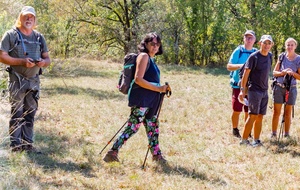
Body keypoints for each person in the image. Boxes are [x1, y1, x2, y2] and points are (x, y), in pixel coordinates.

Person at [103, 32, 171, 163]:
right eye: (152, 44)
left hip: (151, 100)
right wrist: (159, 88)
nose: (155, 47)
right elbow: (138, 79)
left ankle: (157, 155)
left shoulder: (151, 59)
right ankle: (112, 152)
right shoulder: (144, 56)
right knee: (133, 126)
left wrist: (162, 88)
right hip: (142, 99)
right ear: (145, 44)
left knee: (153, 126)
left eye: (158, 44)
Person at [0, 6, 50, 152]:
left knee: (30, 112)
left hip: (34, 81)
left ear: (34, 20)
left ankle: (27, 145)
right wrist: (22, 61)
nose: (29, 19)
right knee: (17, 112)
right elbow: (2, 56)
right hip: (16, 80)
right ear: (20, 18)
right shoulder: (11, 35)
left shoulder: (39, 37)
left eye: (31, 17)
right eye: (26, 16)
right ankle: (16, 146)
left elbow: (48, 59)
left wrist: (42, 62)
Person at [238, 35, 274, 147]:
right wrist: (242, 90)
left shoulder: (270, 56)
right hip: (254, 90)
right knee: (252, 115)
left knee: (260, 116)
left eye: (269, 43)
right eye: (265, 43)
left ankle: (256, 140)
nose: (267, 45)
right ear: (260, 43)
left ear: (271, 45)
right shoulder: (254, 57)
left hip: (264, 91)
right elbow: (245, 74)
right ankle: (244, 141)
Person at [227, 30, 257, 138]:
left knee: (248, 110)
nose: (249, 40)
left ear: (254, 40)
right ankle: (235, 129)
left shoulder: (256, 52)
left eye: (251, 38)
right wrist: (242, 66)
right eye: (247, 37)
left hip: (251, 86)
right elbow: (229, 66)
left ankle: (247, 131)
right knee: (237, 109)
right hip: (238, 85)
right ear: (244, 39)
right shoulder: (238, 51)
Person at [271, 38, 300, 139]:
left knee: (287, 113)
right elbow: (274, 73)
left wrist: (292, 73)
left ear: (295, 46)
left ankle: (286, 134)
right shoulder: (282, 56)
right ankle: (273, 133)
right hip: (279, 87)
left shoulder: (298, 59)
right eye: (288, 45)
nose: (290, 47)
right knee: (276, 112)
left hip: (291, 88)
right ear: (285, 46)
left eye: (292, 45)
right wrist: (284, 72)